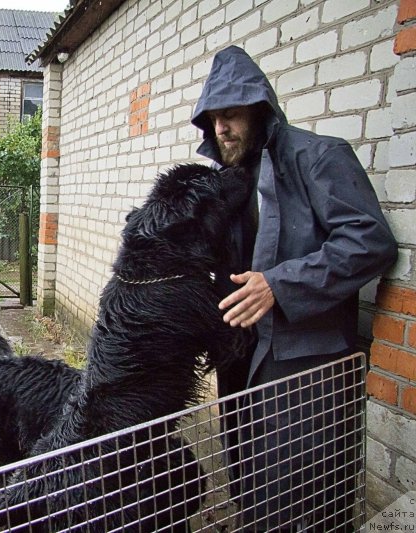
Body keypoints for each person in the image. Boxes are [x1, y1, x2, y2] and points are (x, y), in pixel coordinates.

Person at [191, 46, 398, 531]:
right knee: (249, 486)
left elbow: (370, 240)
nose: (222, 128)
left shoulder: (318, 156)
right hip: (240, 363)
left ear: (259, 110)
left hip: (305, 366)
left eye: (232, 114)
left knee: (304, 498)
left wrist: (279, 285)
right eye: (213, 118)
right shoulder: (227, 180)